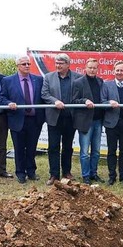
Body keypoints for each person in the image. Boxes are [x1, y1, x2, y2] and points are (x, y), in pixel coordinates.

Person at [0, 55, 45, 184]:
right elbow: (1, 98)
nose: (27, 66)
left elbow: (43, 98)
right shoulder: (8, 81)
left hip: (34, 120)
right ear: (18, 66)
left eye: (28, 64)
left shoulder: (38, 80)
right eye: (24, 64)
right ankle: (20, 173)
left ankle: (31, 171)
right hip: (17, 119)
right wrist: (8, 103)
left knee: (32, 147)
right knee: (19, 148)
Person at [41, 53, 82, 185]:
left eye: (61, 63)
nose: (58, 65)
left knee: (68, 147)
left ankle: (66, 172)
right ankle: (54, 175)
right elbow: (44, 94)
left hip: (71, 117)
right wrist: (55, 101)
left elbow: (80, 95)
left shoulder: (77, 77)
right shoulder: (48, 77)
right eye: (57, 63)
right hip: (54, 117)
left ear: (68, 65)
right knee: (53, 146)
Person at [72, 58, 105, 184]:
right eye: (90, 67)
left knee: (96, 151)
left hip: (98, 120)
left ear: (97, 69)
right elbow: (73, 101)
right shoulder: (78, 82)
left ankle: (93, 173)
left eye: (94, 68)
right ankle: (85, 176)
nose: (92, 70)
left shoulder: (100, 81)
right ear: (85, 68)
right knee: (85, 152)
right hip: (85, 122)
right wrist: (84, 101)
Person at [100, 61, 123, 186]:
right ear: (114, 71)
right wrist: (109, 103)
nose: (119, 72)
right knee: (111, 151)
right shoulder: (106, 85)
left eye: (122, 70)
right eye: (117, 70)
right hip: (111, 123)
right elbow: (102, 102)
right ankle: (112, 176)